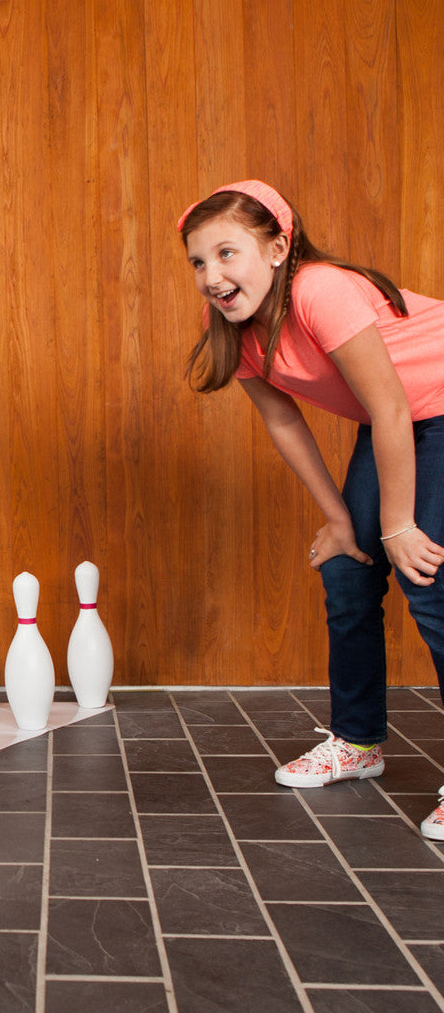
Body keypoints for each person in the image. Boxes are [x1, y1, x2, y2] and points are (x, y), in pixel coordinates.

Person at [179, 180, 444, 837]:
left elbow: (388, 406)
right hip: (399, 419)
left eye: (227, 254)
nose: (213, 276)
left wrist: (400, 525)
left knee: (427, 580)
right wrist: (339, 520)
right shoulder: (236, 330)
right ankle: (357, 742)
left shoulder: (320, 289)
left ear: (277, 248)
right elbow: (286, 426)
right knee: (348, 570)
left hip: (434, 408)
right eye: (198, 262)